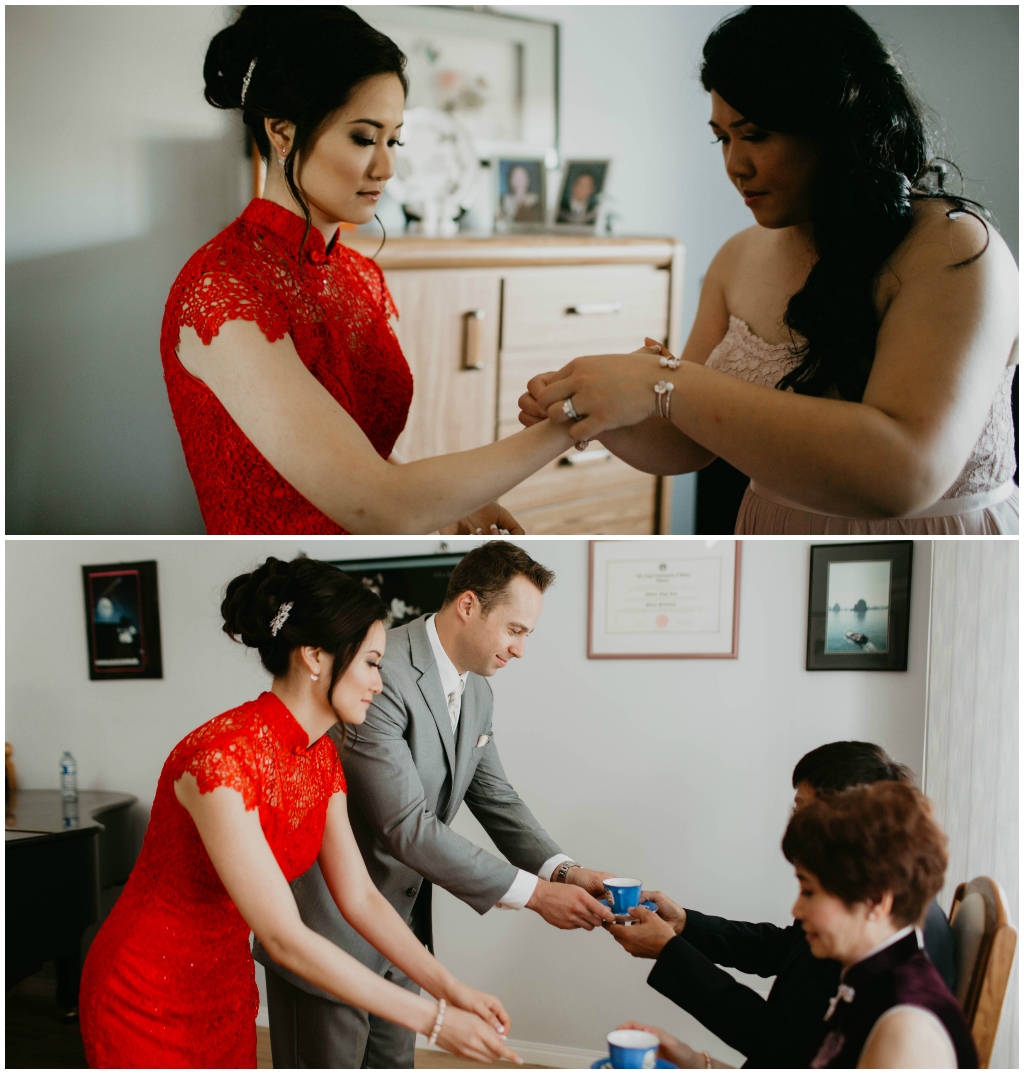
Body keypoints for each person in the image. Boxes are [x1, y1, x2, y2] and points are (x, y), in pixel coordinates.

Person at [520, 5, 1019, 534]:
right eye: (723, 138)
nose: (735, 164)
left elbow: (903, 473)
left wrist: (661, 383)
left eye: (755, 134)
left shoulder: (953, 246)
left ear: (834, 126)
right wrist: (595, 406)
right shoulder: (738, 257)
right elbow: (687, 439)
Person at [79, 556, 523, 1068]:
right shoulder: (221, 762)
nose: (379, 683)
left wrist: (449, 989)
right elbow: (283, 938)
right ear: (315, 656)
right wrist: (434, 1023)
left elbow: (359, 898)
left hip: (223, 982)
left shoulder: (321, 756)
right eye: (372, 663)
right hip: (142, 988)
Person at [162, 6, 573, 535]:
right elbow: (376, 503)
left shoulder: (361, 276)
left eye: (394, 140)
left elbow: (358, 458)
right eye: (363, 138)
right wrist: (571, 423)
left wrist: (451, 503)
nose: (387, 168)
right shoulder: (221, 289)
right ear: (282, 132)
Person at [255, 542, 618, 1067]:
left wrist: (563, 872)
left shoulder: (479, 690)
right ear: (468, 606)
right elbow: (406, 827)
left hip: (402, 933)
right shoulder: (378, 674)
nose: (520, 650)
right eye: (514, 630)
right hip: (328, 928)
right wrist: (535, 896)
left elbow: (494, 795)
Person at [607, 741, 954, 1067]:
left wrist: (670, 950)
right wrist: (684, 925)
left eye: (808, 892)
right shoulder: (877, 953)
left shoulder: (905, 1028)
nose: (796, 911)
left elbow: (782, 1045)